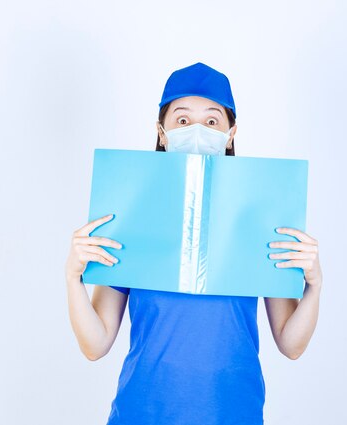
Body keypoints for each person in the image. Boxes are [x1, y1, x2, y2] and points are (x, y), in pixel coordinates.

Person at [65, 62, 323, 425]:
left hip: (234, 414)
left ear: (231, 134)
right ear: (162, 132)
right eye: (183, 121)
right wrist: (73, 277)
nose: (199, 131)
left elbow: (291, 344)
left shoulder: (259, 219)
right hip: (141, 414)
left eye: (213, 121)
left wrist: (313, 285)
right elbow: (95, 345)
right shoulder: (131, 217)